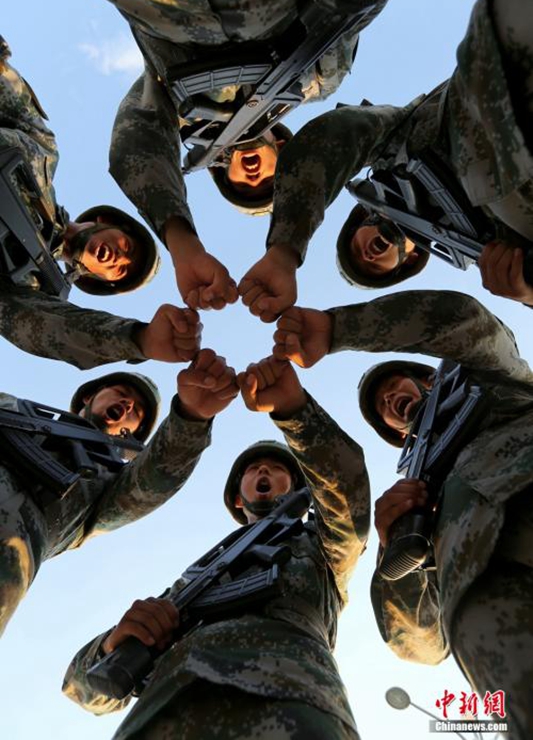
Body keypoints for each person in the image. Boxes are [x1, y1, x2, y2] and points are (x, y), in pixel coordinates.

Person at [55, 0, 409, 311]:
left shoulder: (177, 107)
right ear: (286, 152)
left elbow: (136, 139)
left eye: (245, 187)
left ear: (223, 170)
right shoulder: (318, 82)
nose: (254, 178)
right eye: (270, 183)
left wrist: (182, 243)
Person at [62, 356, 370, 739]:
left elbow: (347, 497)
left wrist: (296, 411)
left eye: (276, 469)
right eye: (251, 470)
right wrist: (114, 643)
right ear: (237, 500)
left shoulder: (322, 548)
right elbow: (81, 687)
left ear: (302, 492)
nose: (261, 473)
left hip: (292, 703)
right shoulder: (199, 578)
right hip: (166, 712)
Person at [273, 288, 533, 739]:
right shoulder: (420, 491)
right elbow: (418, 644)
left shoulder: (487, 382)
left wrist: (338, 330)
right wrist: (397, 552)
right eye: (383, 408)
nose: (392, 401)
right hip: (499, 630)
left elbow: (463, 321)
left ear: (428, 381)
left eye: (398, 388)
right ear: (393, 435)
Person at [241, 0, 533, 321]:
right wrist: (527, 292)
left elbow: (336, 136)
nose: (369, 254)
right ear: (410, 261)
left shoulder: (397, 143)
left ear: (363, 216)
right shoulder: (497, 262)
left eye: (356, 250)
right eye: (374, 268)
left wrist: (284, 250)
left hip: (503, 68)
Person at [0, 348, 238, 637]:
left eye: (137, 412)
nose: (128, 403)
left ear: (133, 435)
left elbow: (158, 476)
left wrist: (192, 415)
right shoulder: (11, 406)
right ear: (89, 397)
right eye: (121, 391)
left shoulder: (110, 486)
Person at [0, 38, 202, 368]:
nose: (120, 258)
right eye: (128, 248)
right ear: (105, 222)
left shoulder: (30, 288)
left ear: (96, 278)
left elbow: (38, 325)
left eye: (120, 271)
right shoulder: (43, 154)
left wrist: (139, 339)